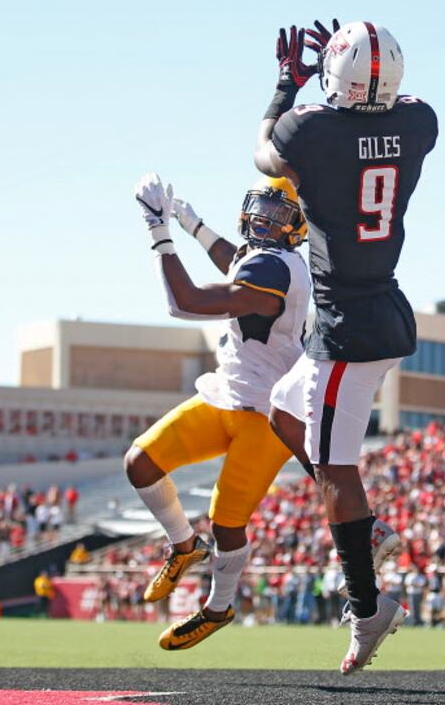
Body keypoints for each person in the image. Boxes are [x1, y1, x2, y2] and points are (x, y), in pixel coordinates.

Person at [253, 19, 438, 673]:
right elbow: (383, 124)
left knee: (335, 470)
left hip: (344, 326)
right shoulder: (419, 122)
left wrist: (286, 81)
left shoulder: (312, 130)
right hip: (382, 305)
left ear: (335, 76)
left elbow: (264, 157)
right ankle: (370, 532)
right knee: (281, 409)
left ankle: (367, 607)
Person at [129, 175, 350, 650]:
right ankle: (184, 546)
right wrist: (194, 225)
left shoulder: (276, 272)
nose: (265, 221)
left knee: (226, 521)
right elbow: (236, 260)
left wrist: (158, 230)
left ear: (298, 228)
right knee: (140, 462)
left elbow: (184, 303)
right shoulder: (265, 261)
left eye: (279, 216)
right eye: (263, 209)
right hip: (223, 395)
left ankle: (218, 607)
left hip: (265, 413)